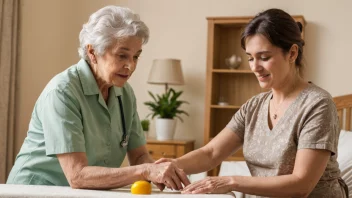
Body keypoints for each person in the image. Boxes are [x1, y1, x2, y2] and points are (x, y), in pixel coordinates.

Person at [156, 8, 348, 197]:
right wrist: (174, 165)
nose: (255, 67)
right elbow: (211, 153)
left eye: (264, 57)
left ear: (292, 53)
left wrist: (231, 181)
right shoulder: (253, 107)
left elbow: (301, 185)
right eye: (250, 58)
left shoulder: (318, 105)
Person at [7, 5, 190, 190]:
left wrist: (156, 168)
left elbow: (139, 155)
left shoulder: (125, 94)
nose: (131, 65)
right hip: (34, 190)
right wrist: (144, 171)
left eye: (136, 56)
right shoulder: (62, 92)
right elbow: (77, 176)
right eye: (122, 55)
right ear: (92, 52)